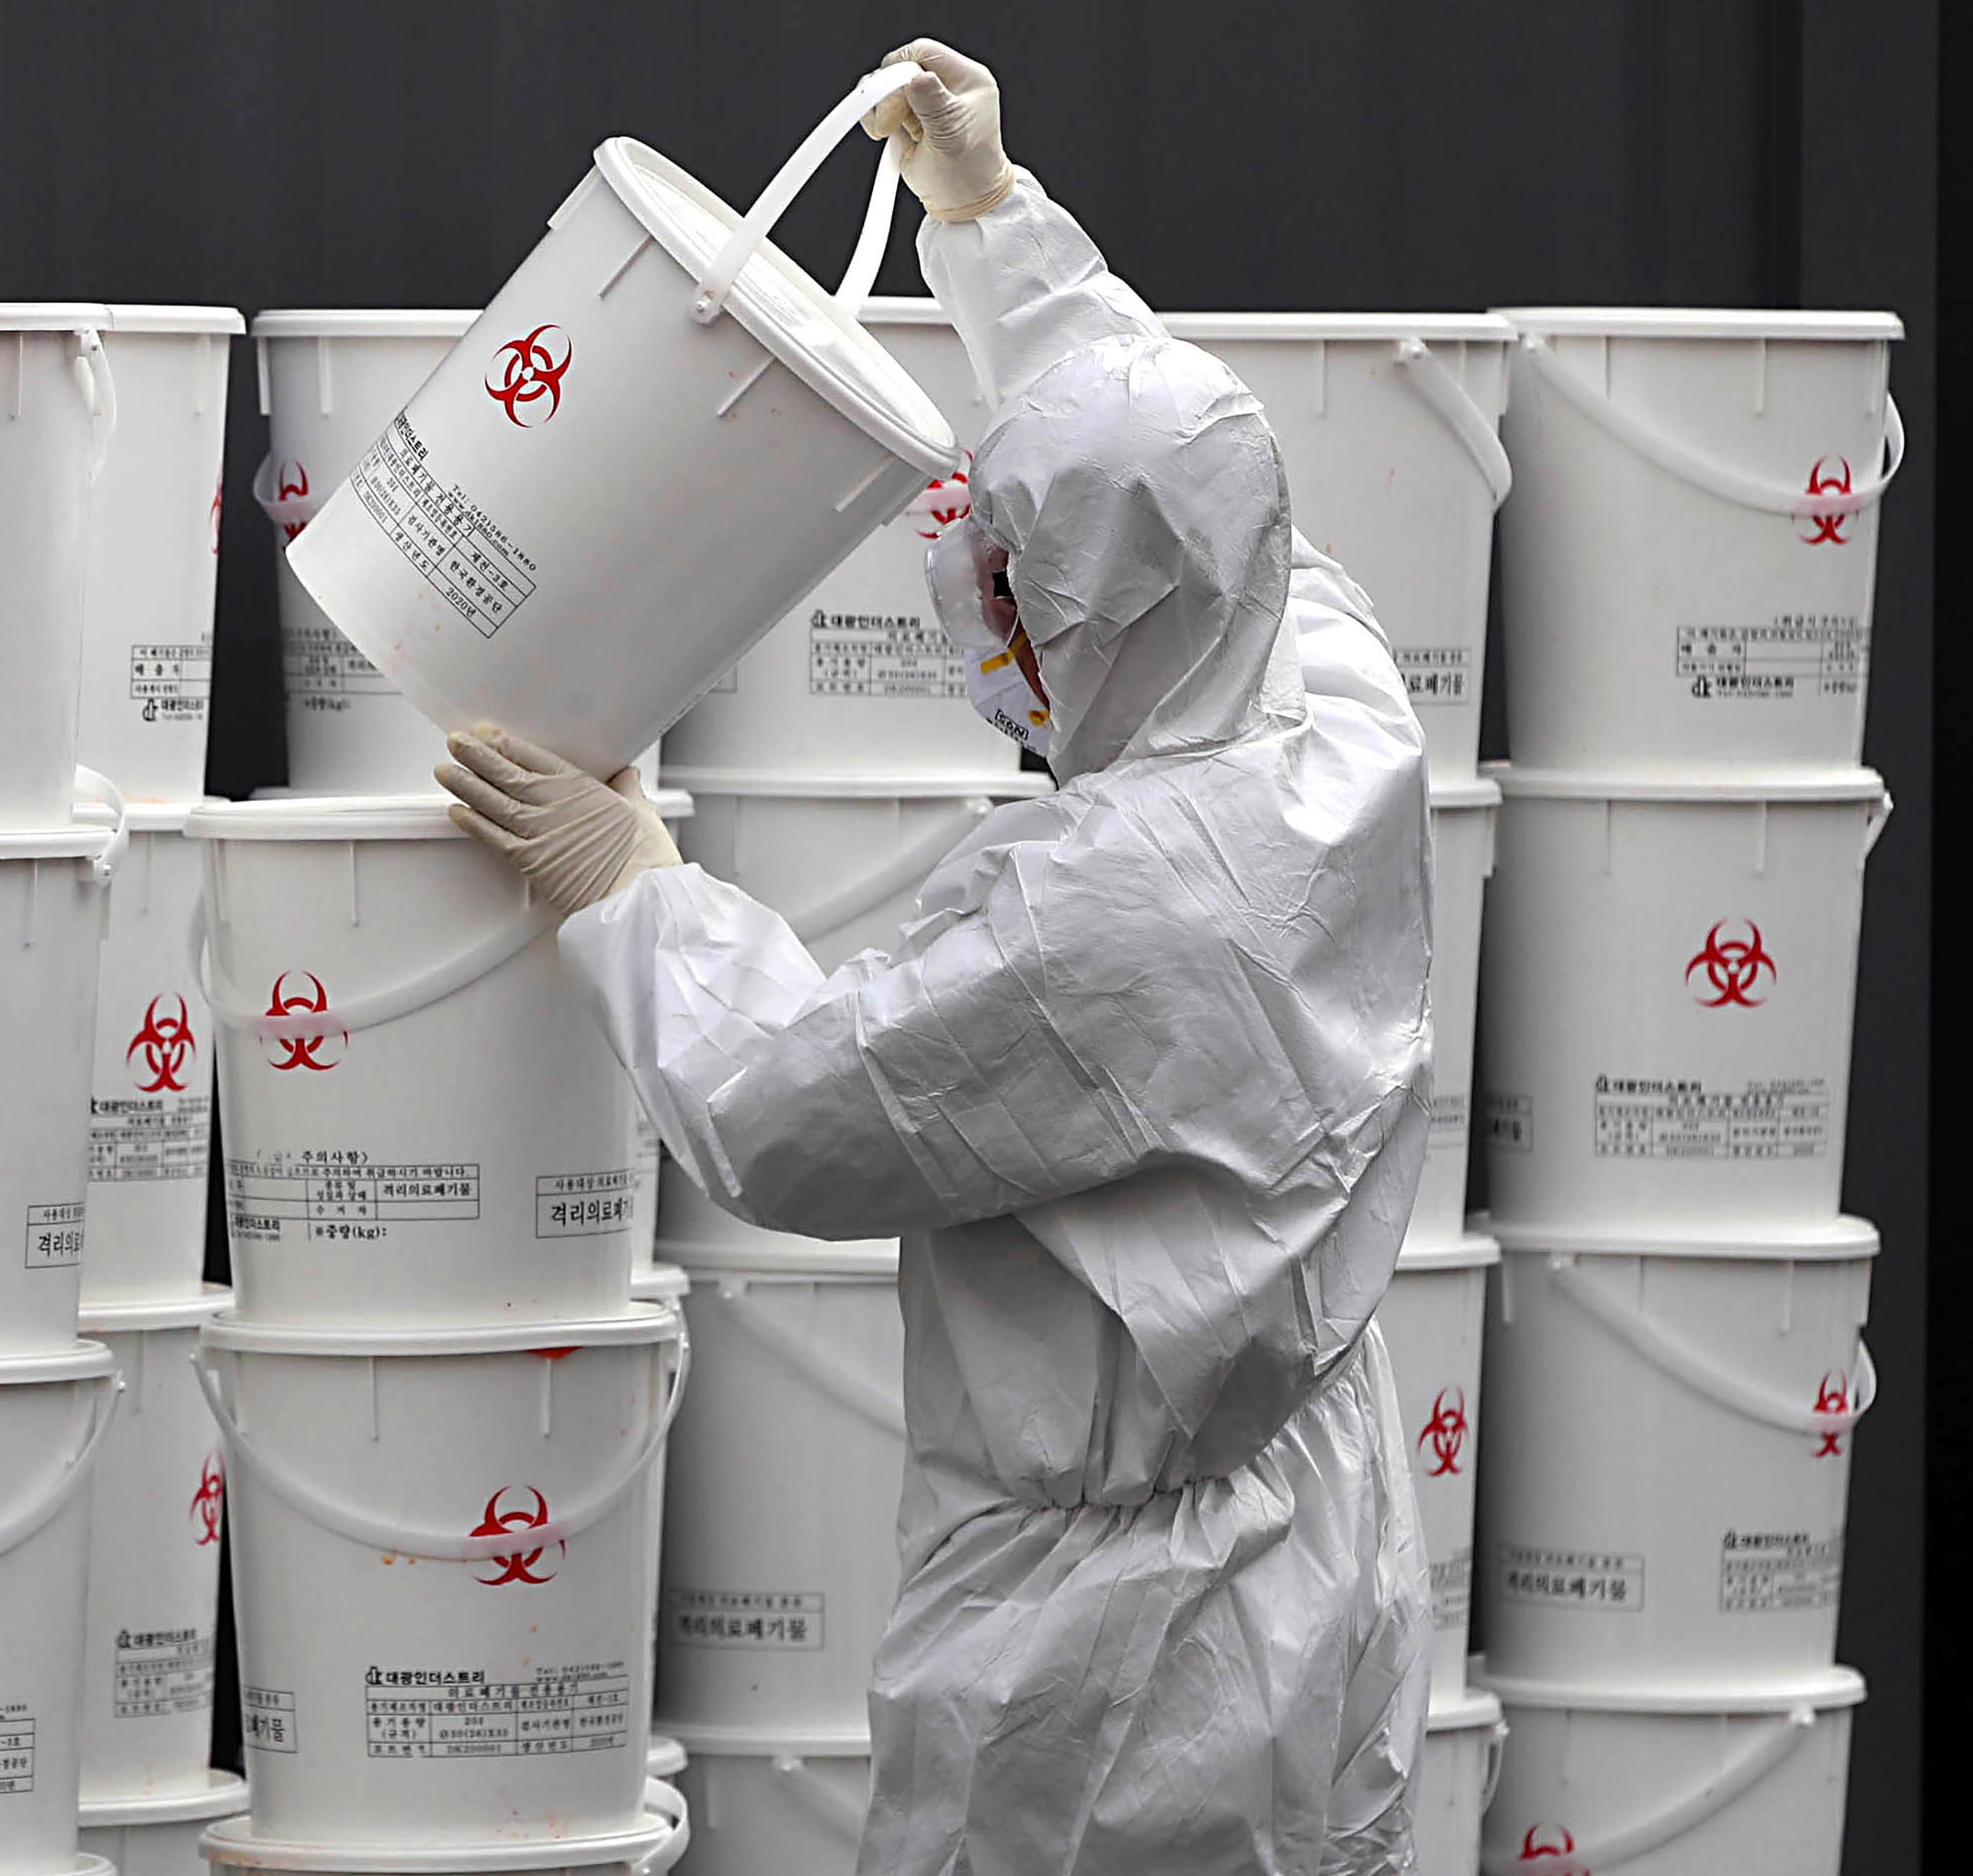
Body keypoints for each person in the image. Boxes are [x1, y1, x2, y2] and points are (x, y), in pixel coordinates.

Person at [435, 36, 1436, 1876]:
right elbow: (1155, 460)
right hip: (1323, 1532)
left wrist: (630, 880)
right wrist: (989, 220)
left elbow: (794, 1103)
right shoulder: (1330, 688)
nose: (1003, 648)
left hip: (1118, 1644)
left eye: (1019, 608)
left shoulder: (1100, 914)